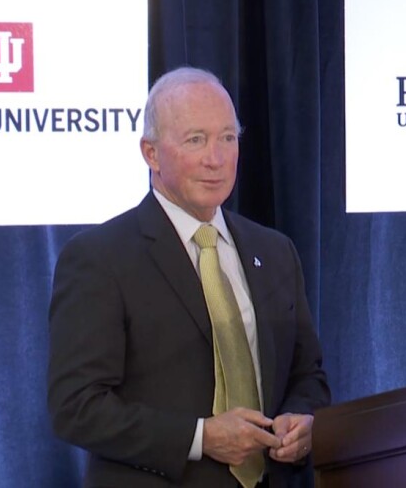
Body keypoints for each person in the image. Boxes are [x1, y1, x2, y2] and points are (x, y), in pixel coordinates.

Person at [48, 67, 330, 487]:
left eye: (228, 138)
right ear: (151, 153)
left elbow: (308, 375)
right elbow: (76, 407)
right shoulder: (99, 258)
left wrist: (302, 421)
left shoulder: (275, 252)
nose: (215, 158)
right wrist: (200, 438)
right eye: (195, 140)